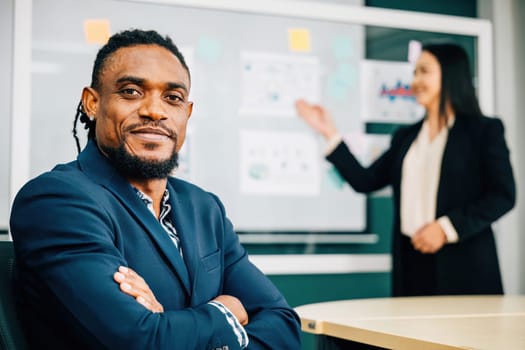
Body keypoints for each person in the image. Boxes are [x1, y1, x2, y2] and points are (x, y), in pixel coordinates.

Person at [10, 29, 301, 349]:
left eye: (173, 98)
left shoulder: (204, 207)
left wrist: (169, 325)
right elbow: (140, 340)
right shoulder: (57, 201)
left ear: (186, 114)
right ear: (92, 103)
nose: (155, 110)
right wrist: (225, 311)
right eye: (132, 91)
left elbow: (283, 325)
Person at [295, 42, 516, 296]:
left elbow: (503, 195)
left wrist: (446, 228)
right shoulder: (405, 137)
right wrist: (329, 132)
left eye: (424, 71)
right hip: (412, 264)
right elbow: (365, 180)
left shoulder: (483, 130)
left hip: (464, 265)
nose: (415, 80)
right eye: (414, 72)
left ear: (450, 74)